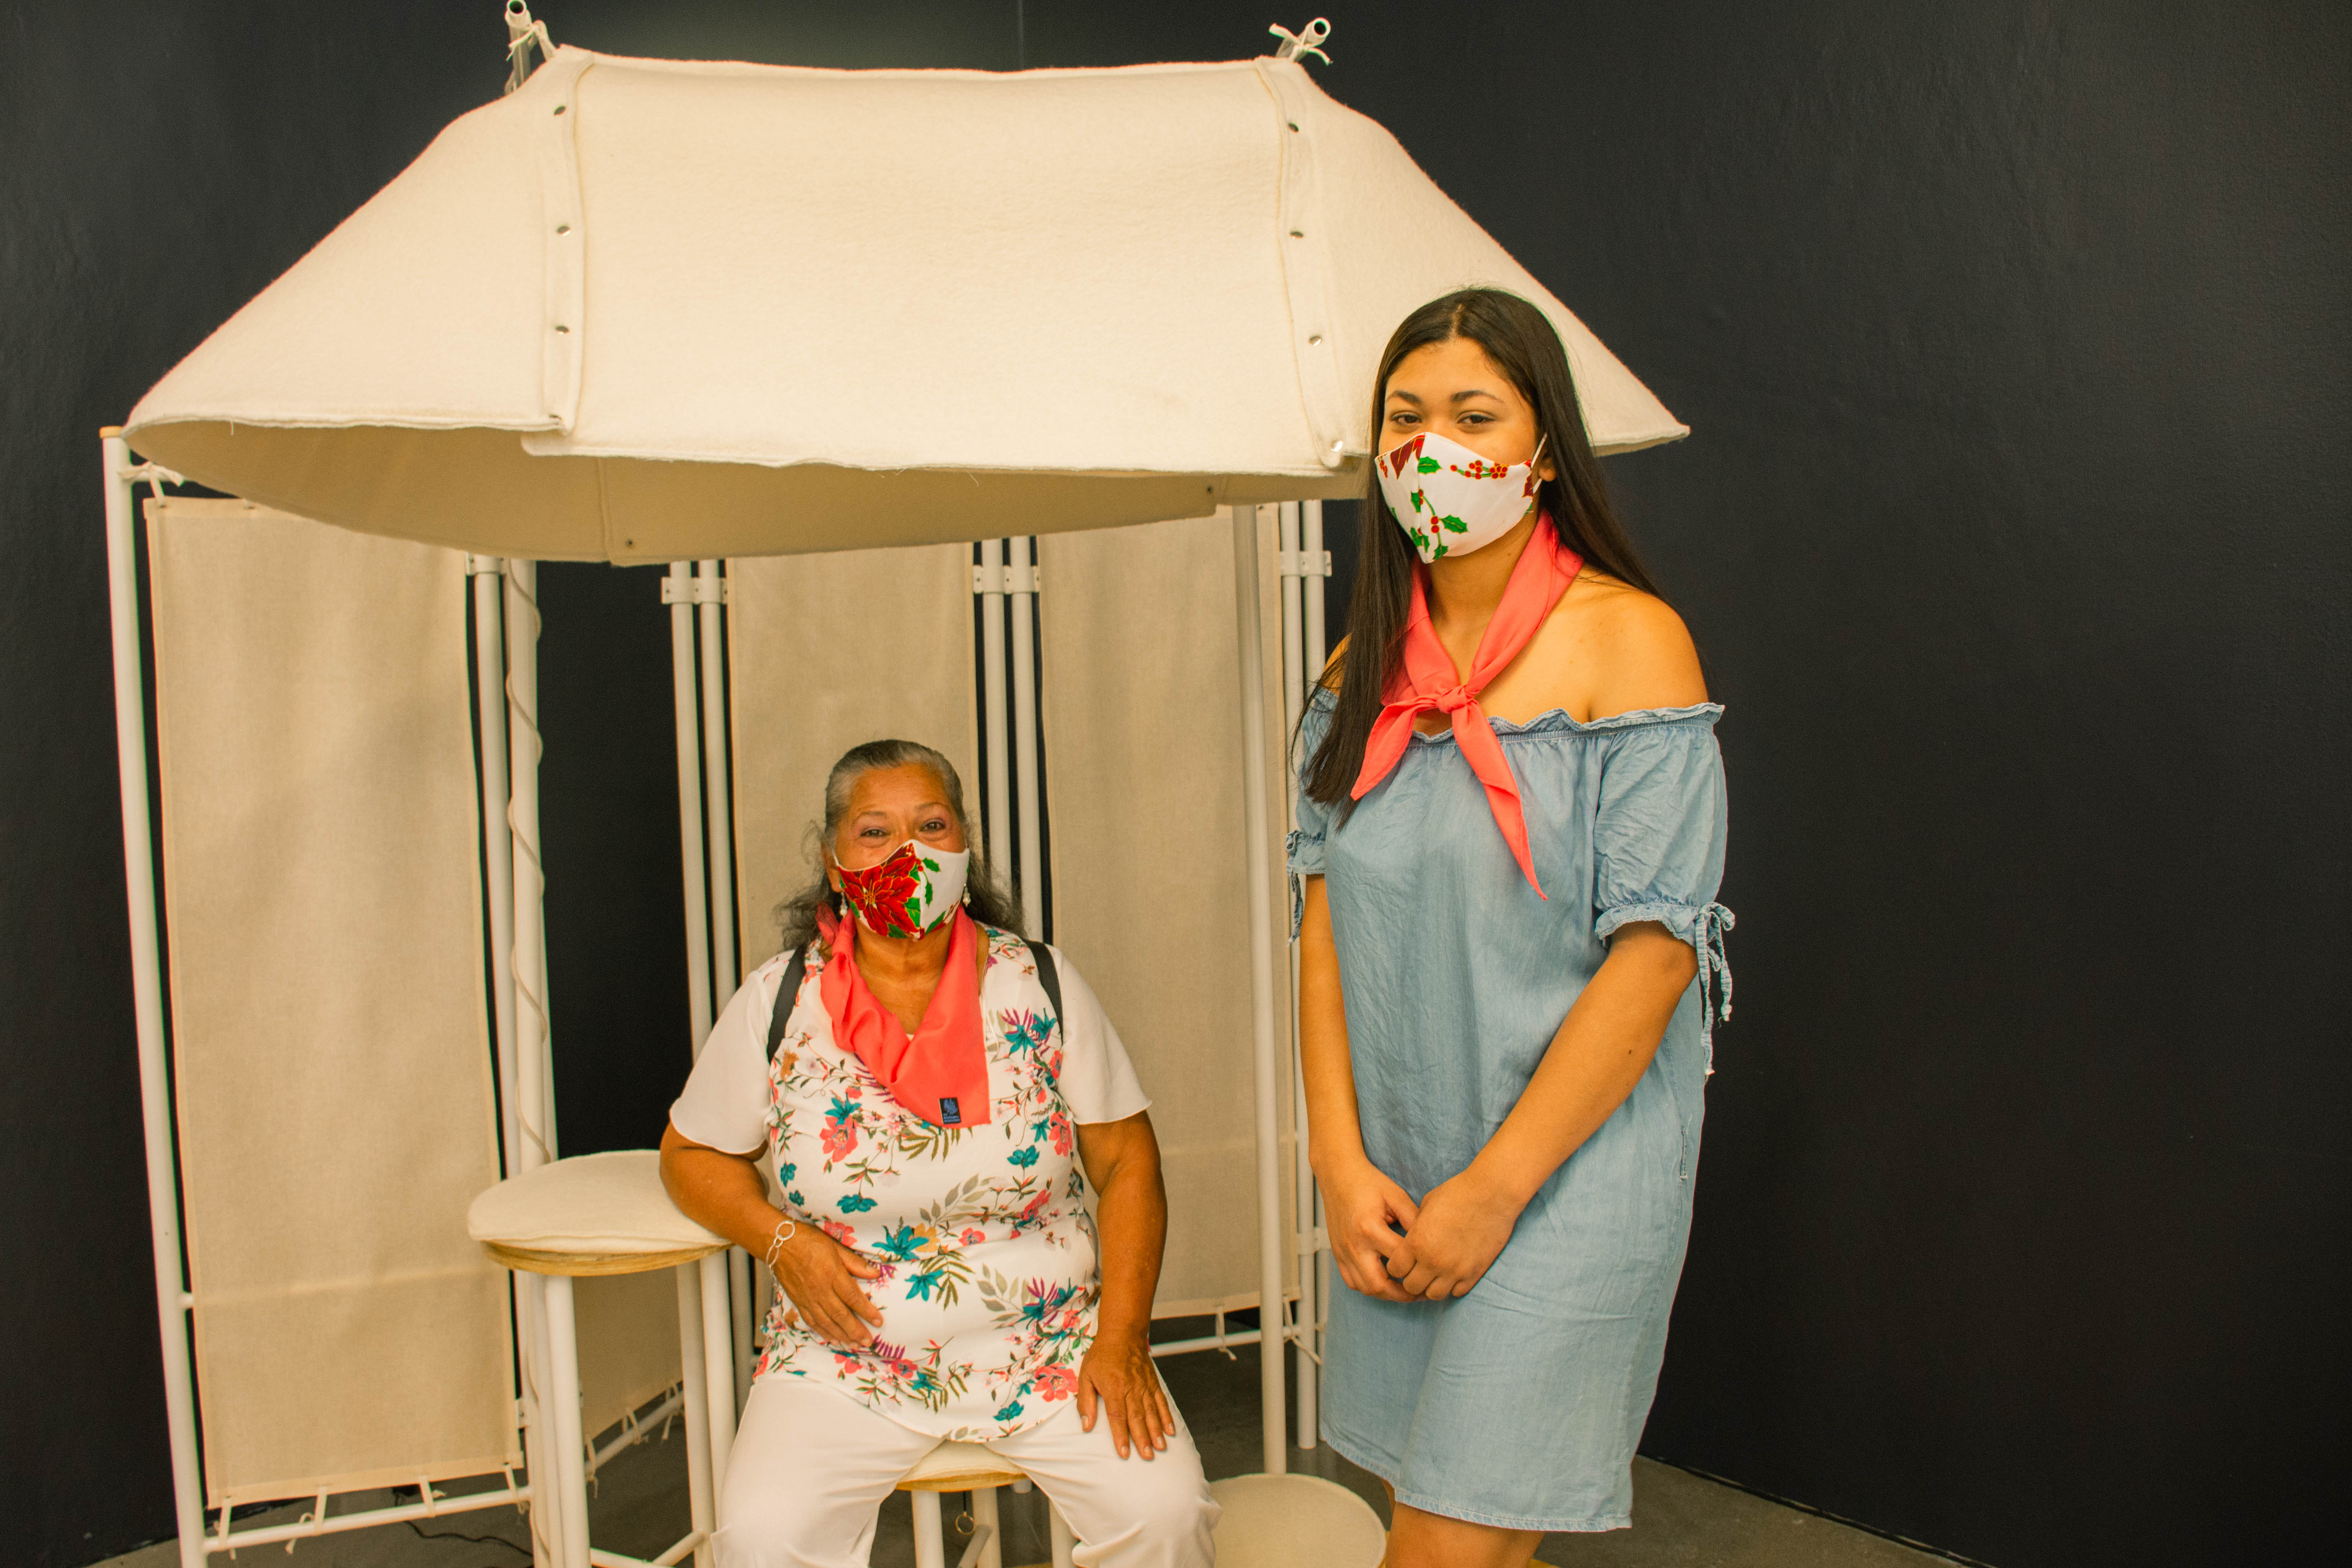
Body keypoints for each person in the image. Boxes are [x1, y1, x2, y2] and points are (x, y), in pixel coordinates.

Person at [1292, 288, 1734, 1568]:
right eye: (1405, 417)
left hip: (1564, 1163)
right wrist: (1336, 1159)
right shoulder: (1354, 671)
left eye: (1472, 415)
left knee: (1442, 1547)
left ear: (1543, 450)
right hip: (1403, 1158)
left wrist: (1492, 1193)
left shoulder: (1630, 643)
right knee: (1450, 1521)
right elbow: (1321, 925)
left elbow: (1657, 954)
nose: (1431, 447)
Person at [663, 739, 1217, 1568]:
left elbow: (1128, 1163)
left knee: (1167, 1516)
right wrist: (781, 1241)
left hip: (1050, 1344)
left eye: (931, 826)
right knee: (760, 1539)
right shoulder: (780, 1000)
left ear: (963, 845)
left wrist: (1123, 1338)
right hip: (844, 1357)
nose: (908, 854)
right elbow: (689, 1155)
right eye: (874, 832)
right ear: (834, 862)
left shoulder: (1038, 983)